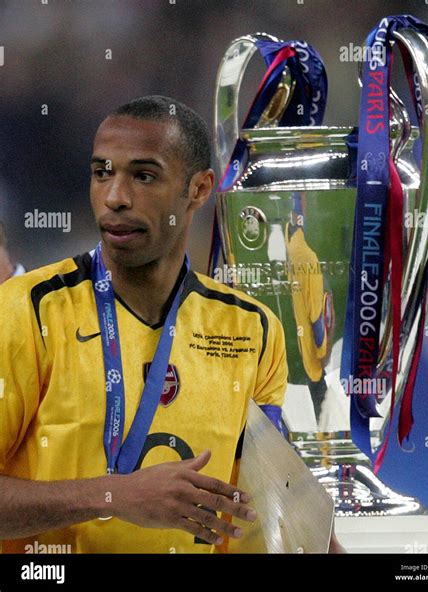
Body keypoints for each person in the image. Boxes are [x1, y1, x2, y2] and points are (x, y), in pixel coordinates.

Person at [0, 95, 290, 554]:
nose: (115, 198)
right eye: (102, 173)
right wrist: (116, 495)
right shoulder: (26, 311)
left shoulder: (252, 331)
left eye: (143, 175)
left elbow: (269, 514)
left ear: (198, 189)